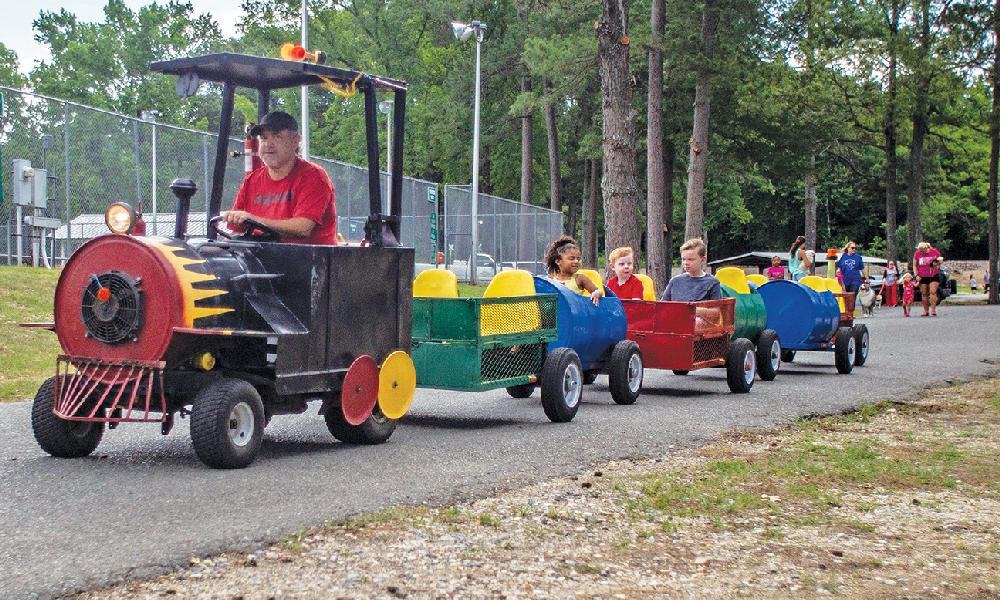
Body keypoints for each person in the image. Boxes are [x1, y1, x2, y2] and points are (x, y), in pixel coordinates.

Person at [222, 111, 336, 244]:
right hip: (262, 257)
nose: (268, 144)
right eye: (264, 138)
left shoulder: (313, 176)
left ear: (295, 141)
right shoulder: (252, 180)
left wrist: (254, 220)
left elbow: (303, 228)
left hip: (308, 260)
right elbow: (236, 229)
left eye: (276, 136)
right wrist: (232, 218)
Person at [545, 235, 603, 306]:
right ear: (558, 261)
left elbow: (599, 291)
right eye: (571, 258)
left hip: (575, 315)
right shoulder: (551, 278)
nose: (576, 261)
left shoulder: (580, 278)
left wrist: (596, 294)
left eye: (578, 259)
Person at [913, 241, 944, 316]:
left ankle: (933, 309)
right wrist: (916, 275)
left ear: (925, 248)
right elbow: (914, 265)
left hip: (933, 275)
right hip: (922, 275)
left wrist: (937, 262)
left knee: (933, 291)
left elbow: (940, 260)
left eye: (921, 249)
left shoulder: (934, 251)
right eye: (919, 249)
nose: (919, 251)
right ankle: (925, 310)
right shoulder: (917, 253)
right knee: (924, 293)